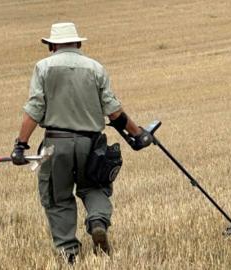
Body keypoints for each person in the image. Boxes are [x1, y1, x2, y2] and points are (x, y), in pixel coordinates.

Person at [11, 22, 153, 264]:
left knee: (59, 196)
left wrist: (21, 145)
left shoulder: (43, 67)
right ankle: (97, 221)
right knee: (94, 188)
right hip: (92, 144)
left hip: (57, 143)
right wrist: (138, 134)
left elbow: (35, 108)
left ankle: (69, 252)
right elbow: (114, 111)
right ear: (78, 43)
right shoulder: (95, 68)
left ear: (52, 45)